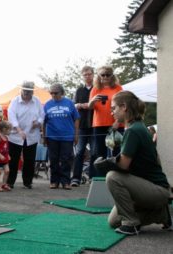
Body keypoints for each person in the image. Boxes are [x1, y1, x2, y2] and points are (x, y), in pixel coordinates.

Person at [94, 90, 171, 236]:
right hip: (153, 188)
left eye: (114, 108)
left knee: (112, 176)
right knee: (114, 221)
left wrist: (105, 164)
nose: (112, 112)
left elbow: (123, 165)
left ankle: (131, 223)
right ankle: (161, 214)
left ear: (124, 107)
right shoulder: (139, 126)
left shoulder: (133, 131)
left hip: (155, 190)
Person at [7, 81, 44, 189]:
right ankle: (10, 182)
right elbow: (12, 117)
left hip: (32, 135)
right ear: (21, 90)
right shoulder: (14, 101)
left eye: (29, 91)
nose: (26, 93)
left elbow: (42, 115)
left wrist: (38, 122)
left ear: (32, 92)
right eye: (25, 91)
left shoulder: (37, 101)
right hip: (15, 135)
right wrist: (19, 130)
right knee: (13, 159)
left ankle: (27, 181)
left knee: (30, 159)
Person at [44, 83, 80, 190]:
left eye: (56, 93)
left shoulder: (69, 103)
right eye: (51, 93)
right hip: (52, 136)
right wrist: (44, 136)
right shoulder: (47, 104)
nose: (53, 95)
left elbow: (76, 119)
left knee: (66, 159)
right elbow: (43, 121)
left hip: (67, 136)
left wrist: (76, 134)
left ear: (62, 93)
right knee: (53, 159)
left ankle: (65, 181)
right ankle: (54, 181)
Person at [88, 66, 123, 176]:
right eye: (102, 75)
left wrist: (117, 121)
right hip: (99, 124)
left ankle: (117, 176)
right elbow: (90, 107)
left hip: (115, 124)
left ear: (112, 76)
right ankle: (100, 177)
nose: (105, 77)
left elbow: (122, 106)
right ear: (98, 76)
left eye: (108, 74)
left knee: (116, 152)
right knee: (100, 153)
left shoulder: (118, 88)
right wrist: (93, 100)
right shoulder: (95, 89)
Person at [71, 66, 95, 187]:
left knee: (95, 153)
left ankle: (93, 178)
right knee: (79, 152)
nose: (87, 76)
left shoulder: (97, 89)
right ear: (82, 76)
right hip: (82, 125)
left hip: (95, 125)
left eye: (89, 74)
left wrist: (84, 105)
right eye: (85, 74)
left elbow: (96, 105)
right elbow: (74, 105)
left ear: (93, 74)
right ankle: (76, 178)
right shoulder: (79, 90)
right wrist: (81, 105)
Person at [0, 121, 12, 192]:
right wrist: (0, 155)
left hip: (5, 157)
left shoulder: (6, 138)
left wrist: (8, 155)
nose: (10, 131)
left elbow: (6, 148)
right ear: (4, 129)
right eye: (9, 129)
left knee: (7, 171)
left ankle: (4, 184)